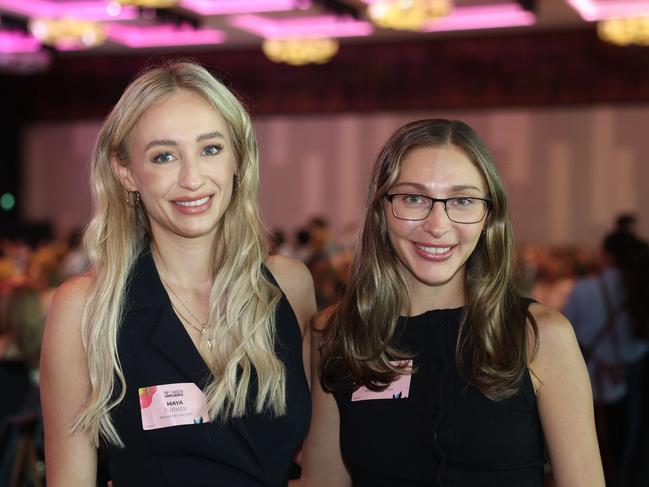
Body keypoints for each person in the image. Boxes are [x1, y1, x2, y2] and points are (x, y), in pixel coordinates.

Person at [40, 61, 316, 486]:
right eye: (164, 156)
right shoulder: (84, 308)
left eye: (210, 149)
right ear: (126, 172)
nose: (192, 178)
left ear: (238, 159)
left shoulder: (290, 287)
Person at [300, 119, 604, 486]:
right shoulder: (336, 334)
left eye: (462, 201)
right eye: (414, 198)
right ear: (381, 210)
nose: (437, 225)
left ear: (489, 216)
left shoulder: (539, 336)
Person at [563, 232, 649, 486]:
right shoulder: (640, 285)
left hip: (586, 377)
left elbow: (566, 331)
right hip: (630, 377)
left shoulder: (584, 288)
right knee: (627, 448)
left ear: (607, 255)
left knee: (588, 450)